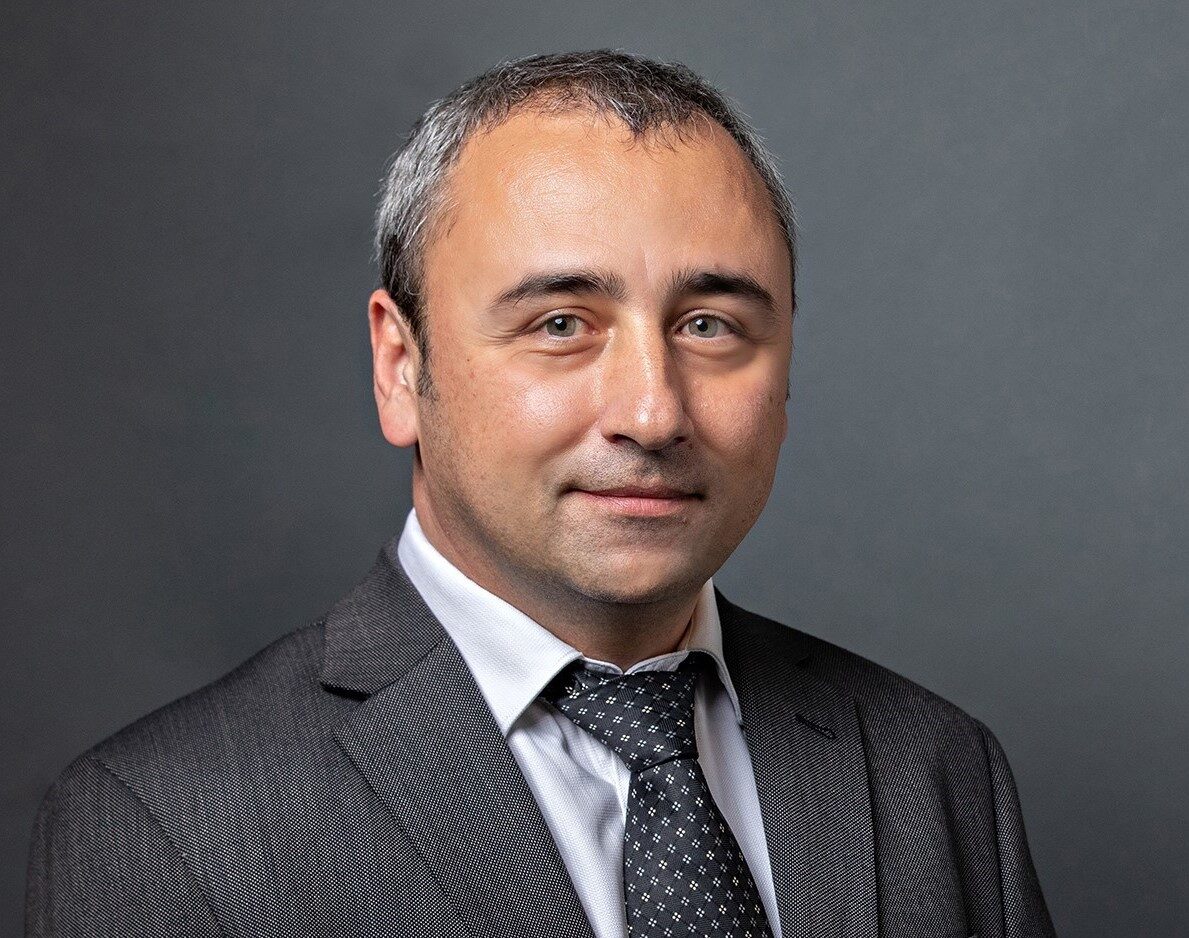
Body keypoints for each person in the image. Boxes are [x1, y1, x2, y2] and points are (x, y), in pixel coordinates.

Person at [25, 50, 1056, 938]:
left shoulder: (935, 769)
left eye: (708, 325)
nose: (652, 412)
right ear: (399, 367)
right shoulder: (163, 826)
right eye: (560, 324)